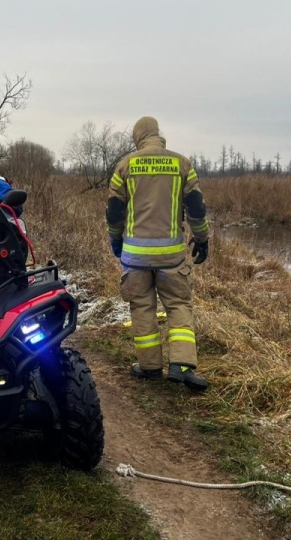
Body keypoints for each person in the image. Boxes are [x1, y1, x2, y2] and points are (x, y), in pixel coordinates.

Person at [106, 116, 210, 392]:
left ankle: (150, 368)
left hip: (135, 257)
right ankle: (182, 366)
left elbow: (114, 211)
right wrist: (202, 239)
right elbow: (196, 208)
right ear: (158, 134)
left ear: (138, 138)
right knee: (178, 305)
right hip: (172, 256)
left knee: (142, 307)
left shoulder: (125, 166)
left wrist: (116, 241)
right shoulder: (181, 164)